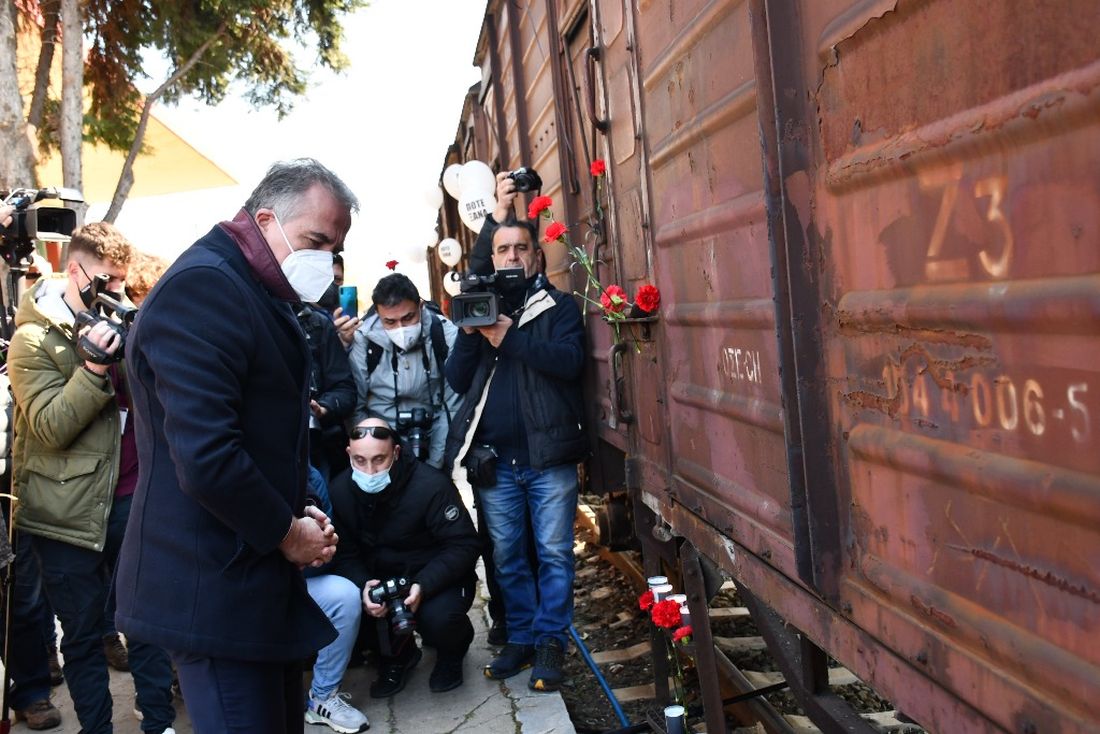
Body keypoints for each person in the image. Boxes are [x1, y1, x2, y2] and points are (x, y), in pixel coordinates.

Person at [113, 158, 354, 733]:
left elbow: (258, 430)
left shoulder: (250, 283)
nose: (323, 259)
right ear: (266, 219)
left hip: (249, 580)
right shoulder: (203, 288)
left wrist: (296, 511)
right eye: (315, 241)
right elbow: (207, 456)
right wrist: (286, 531)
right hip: (213, 588)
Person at [7, 222, 176, 734]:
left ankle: (158, 724)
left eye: (122, 283)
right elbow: (51, 427)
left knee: (145, 624)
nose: (115, 293)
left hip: (132, 498)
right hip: (64, 514)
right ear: (76, 272)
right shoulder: (31, 339)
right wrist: (93, 368)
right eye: (106, 282)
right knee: (80, 637)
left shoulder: (123, 320)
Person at [444, 215, 587, 693]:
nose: (511, 257)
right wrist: (469, 334)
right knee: (506, 557)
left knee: (553, 554)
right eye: (503, 250)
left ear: (536, 256)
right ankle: (522, 637)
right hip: (494, 460)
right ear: (494, 256)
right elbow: (457, 380)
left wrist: (512, 337)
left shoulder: (559, 307)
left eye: (520, 249)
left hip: (548, 458)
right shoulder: (476, 307)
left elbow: (569, 364)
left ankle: (550, 642)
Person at [323, 418, 479, 702]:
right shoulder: (339, 490)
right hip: (381, 580)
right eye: (359, 460)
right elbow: (345, 553)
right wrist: (363, 586)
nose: (369, 471)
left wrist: (424, 584)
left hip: (432, 577)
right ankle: (398, 657)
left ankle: (452, 652)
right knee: (355, 607)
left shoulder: (431, 485)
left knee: (441, 620)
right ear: (348, 454)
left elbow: (463, 544)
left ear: (396, 452)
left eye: (379, 460)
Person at [348, 273, 460, 469]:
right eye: (390, 322)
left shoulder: (444, 333)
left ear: (420, 306)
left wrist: (433, 466)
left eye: (408, 317)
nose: (401, 328)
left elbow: (452, 406)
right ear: (377, 314)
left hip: (436, 442)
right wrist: (376, 460)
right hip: (380, 451)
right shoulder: (363, 341)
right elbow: (356, 409)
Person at [298, 301, 356, 483]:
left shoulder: (316, 324)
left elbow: (345, 390)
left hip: (318, 445)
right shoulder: (243, 319)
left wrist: (323, 407)